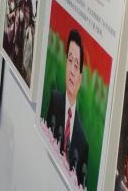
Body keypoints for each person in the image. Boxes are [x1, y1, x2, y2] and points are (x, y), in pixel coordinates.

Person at [44, 29, 90, 188]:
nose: (71, 70)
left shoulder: (83, 142)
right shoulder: (53, 100)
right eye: (70, 61)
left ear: (80, 78)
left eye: (76, 65)